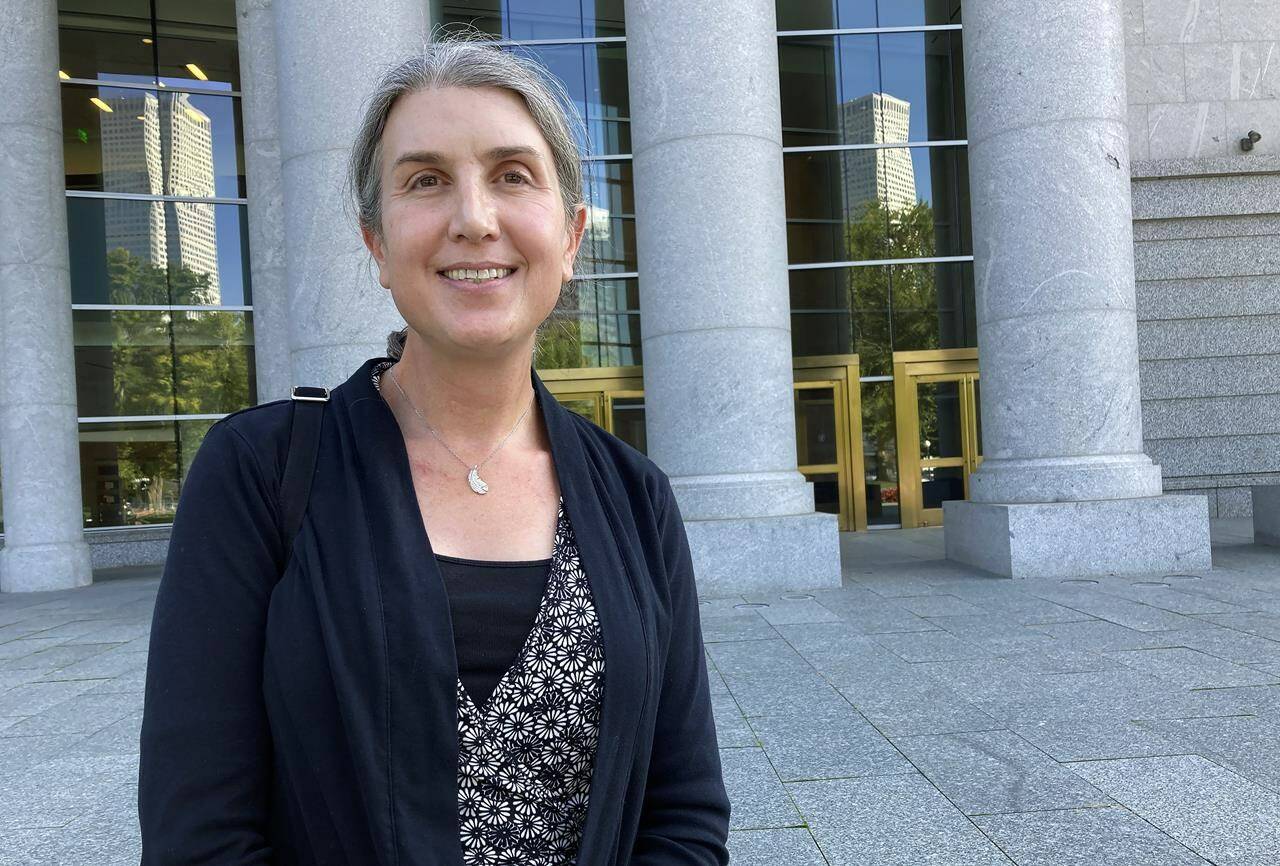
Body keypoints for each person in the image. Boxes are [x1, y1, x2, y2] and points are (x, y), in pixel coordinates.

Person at [137, 34, 731, 866]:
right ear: (378, 244)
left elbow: (685, 812)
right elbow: (198, 832)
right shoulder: (259, 471)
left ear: (571, 236)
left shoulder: (636, 497)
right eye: (424, 181)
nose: (473, 219)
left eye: (513, 175)